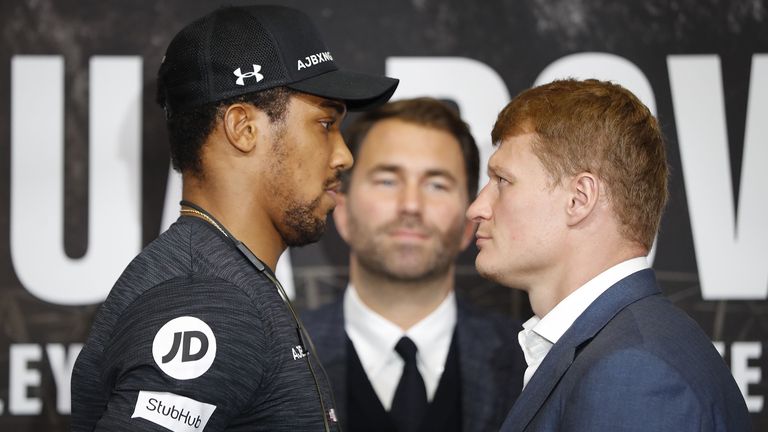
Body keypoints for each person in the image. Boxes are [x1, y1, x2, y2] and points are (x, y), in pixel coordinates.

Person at [71, 5, 398, 431]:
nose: (344, 155)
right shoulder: (209, 300)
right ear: (243, 129)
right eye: (324, 123)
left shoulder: (226, 277)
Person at [466, 79, 751, 431]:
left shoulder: (633, 372)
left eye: (502, 181)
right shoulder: (623, 348)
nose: (477, 208)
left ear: (579, 198)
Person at [302, 98, 526, 432]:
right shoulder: (281, 359)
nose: (411, 205)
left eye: (436, 184)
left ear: (470, 222)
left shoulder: (528, 362)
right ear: (343, 212)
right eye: (388, 181)